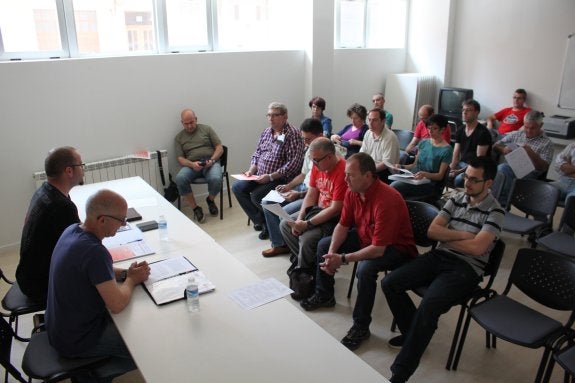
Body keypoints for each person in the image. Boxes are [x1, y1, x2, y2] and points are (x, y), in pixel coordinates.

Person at [382, 156, 505, 383]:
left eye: (474, 180)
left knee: (429, 305)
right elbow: (432, 231)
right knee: (390, 283)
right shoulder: (457, 198)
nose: (466, 183)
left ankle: (400, 373)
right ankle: (413, 334)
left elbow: (478, 249)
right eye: (466, 177)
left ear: (489, 183)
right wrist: (463, 235)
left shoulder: (496, 212)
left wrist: (448, 238)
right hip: (439, 256)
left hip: (466, 269)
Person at [301, 153, 417, 352]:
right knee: (323, 245)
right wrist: (331, 254)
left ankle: (361, 326)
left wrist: (343, 258)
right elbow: (343, 226)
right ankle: (324, 294)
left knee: (365, 270)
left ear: (369, 176)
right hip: (368, 238)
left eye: (350, 175)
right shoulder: (353, 191)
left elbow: (378, 249)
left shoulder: (387, 199)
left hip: (396, 248)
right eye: (345, 175)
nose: (346, 179)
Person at [46, 189, 151, 383]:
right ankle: (93, 375)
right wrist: (132, 280)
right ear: (103, 220)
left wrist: (127, 272)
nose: (123, 225)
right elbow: (117, 304)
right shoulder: (95, 251)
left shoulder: (72, 230)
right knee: (144, 349)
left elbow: (94, 269)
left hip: (58, 327)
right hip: (77, 339)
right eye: (121, 220)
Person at [16, 146, 84, 304]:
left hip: (27, 276)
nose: (83, 169)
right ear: (69, 171)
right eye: (81, 165)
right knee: (100, 281)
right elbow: (81, 252)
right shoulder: (61, 206)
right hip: (41, 285)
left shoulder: (45, 191)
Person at [232, 102, 305, 234]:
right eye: (269, 115)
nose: (271, 118)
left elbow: (293, 163)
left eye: (275, 115)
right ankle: (262, 222)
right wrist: (251, 170)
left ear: (285, 116)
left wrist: (270, 177)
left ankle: (269, 224)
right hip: (259, 175)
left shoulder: (293, 134)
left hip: (280, 178)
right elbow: (257, 153)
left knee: (256, 195)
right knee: (237, 188)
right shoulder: (266, 132)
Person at [279, 138, 347, 271]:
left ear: (330, 157)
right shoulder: (319, 166)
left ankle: (306, 269)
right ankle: (308, 266)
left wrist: (307, 224)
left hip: (334, 218)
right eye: (312, 160)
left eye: (316, 160)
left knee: (307, 239)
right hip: (317, 210)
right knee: (285, 224)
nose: (313, 164)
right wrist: (300, 219)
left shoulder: (343, 171)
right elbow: (311, 195)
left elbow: (335, 209)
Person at [261, 118, 324, 257]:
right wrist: (288, 186)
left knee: (283, 213)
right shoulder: (310, 149)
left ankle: (289, 244)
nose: (305, 143)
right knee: (267, 203)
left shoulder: (327, 155)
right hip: (301, 187)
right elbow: (303, 174)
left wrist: (298, 194)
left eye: (308, 139)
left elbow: (321, 189)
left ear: (320, 136)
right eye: (304, 139)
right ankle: (280, 244)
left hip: (311, 194)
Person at [492, 110, 553, 206]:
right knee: (502, 170)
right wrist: (503, 150)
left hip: (530, 174)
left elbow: (543, 167)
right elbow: (495, 146)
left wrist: (531, 153)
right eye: (526, 127)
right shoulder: (517, 134)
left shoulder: (547, 143)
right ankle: (498, 203)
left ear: (541, 125)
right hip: (512, 168)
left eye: (532, 128)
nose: (528, 131)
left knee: (502, 169)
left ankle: (499, 204)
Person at [174, 108, 224, 223]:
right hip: (192, 165)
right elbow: (180, 159)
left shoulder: (207, 129)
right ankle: (196, 208)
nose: (189, 126)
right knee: (180, 178)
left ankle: (210, 200)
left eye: (191, 122)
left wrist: (211, 160)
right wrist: (192, 164)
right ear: (182, 123)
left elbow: (219, 148)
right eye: (186, 124)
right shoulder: (178, 138)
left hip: (210, 162)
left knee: (216, 178)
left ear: (196, 119)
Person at [390, 114, 453, 199]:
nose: (430, 131)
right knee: (390, 187)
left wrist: (425, 174)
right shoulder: (423, 143)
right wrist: (401, 166)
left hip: (429, 183)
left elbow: (440, 176)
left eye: (434, 128)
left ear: (442, 129)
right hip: (414, 178)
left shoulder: (447, 149)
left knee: (394, 188)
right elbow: (414, 165)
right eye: (429, 128)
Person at [449, 99, 492, 187]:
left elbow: (478, 160)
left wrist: (459, 172)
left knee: (458, 180)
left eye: (468, 110)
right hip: (462, 164)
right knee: (443, 174)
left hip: (477, 168)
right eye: (463, 110)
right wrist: (451, 168)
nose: (464, 113)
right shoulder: (461, 129)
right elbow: (456, 153)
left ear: (476, 113)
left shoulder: (483, 132)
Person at [360, 108, 400, 183]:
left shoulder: (390, 137)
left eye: (375, 120)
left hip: (385, 172)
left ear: (383, 121)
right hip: (370, 169)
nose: (370, 123)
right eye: (369, 120)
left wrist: (368, 171)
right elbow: (362, 154)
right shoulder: (368, 133)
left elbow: (386, 163)